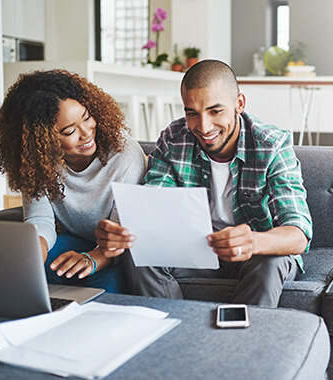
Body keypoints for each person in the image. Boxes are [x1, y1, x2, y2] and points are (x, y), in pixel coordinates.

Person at [95, 60, 312, 306]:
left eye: (215, 111)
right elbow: (155, 204)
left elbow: (299, 233)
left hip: (256, 253)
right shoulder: (174, 140)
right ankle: (174, 333)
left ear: (239, 104)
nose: (204, 126)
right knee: (138, 252)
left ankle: (241, 343)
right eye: (192, 113)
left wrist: (253, 241)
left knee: (273, 261)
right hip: (198, 252)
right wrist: (123, 232)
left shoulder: (272, 145)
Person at [0, 69, 146, 293]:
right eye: (69, 131)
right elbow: (40, 219)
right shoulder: (37, 162)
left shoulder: (124, 154)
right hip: (73, 240)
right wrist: (36, 249)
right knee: (34, 273)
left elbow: (122, 235)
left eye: (87, 117)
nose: (86, 133)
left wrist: (92, 259)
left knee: (107, 289)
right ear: (41, 139)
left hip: (115, 252)